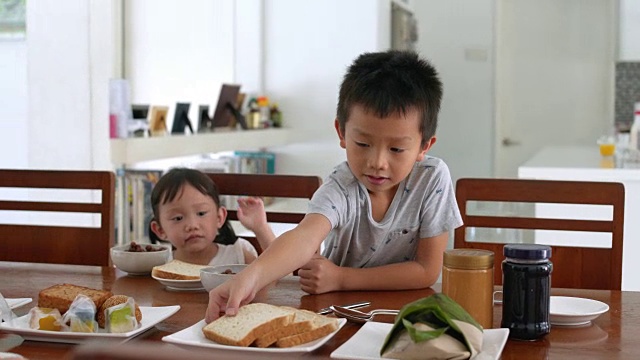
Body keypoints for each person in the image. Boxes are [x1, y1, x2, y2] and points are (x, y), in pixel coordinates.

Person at [205, 50, 462, 322]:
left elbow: (426, 270)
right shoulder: (342, 186)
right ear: (341, 132)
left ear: (424, 146)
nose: (377, 162)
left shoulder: (432, 178)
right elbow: (304, 237)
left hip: (405, 315)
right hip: (338, 314)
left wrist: (341, 278)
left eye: (397, 149)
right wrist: (250, 277)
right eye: (363, 144)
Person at [149, 167, 275, 265]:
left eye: (201, 213)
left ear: (219, 218)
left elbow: (282, 279)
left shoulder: (238, 255)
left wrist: (261, 228)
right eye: (178, 218)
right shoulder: (158, 265)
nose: (192, 225)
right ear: (160, 230)